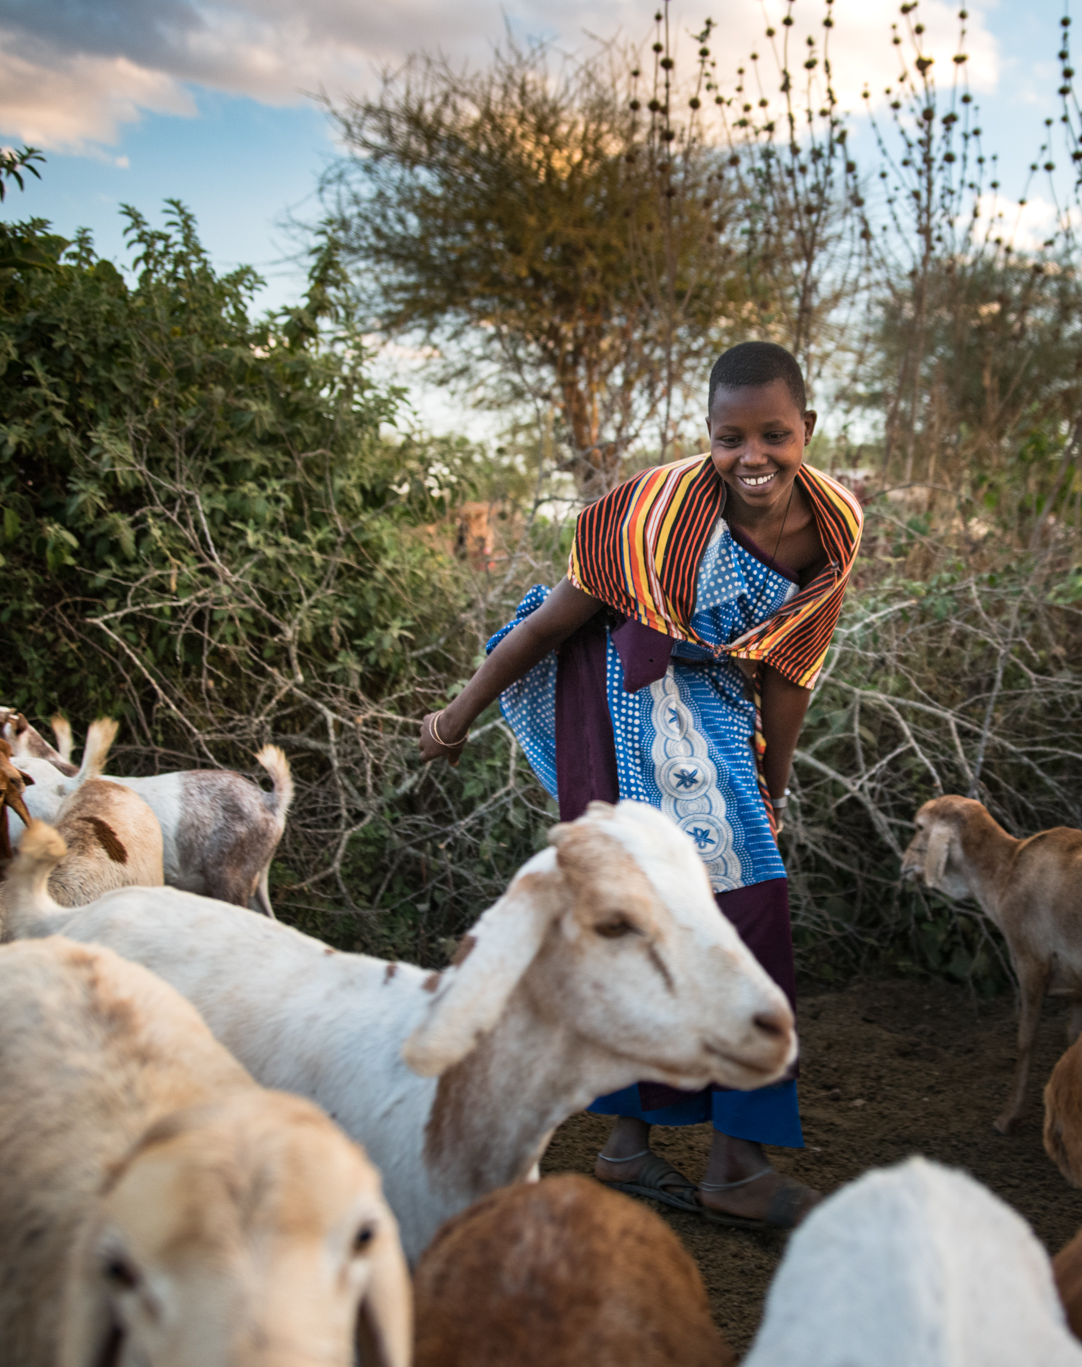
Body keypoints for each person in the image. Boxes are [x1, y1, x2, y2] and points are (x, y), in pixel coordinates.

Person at [417, 341, 861, 1230]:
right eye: (731, 436)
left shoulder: (834, 526)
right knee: (730, 903)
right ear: (708, 435)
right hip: (615, 695)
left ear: (807, 429)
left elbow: (792, 667)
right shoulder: (655, 517)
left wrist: (771, 784)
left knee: (715, 893)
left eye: (775, 434)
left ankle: (634, 1149)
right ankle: (729, 1161)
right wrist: (458, 713)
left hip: (714, 696)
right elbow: (547, 628)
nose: (753, 457)